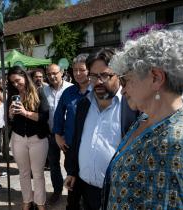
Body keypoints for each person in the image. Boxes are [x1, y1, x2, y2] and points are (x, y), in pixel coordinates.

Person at [103, 30, 183, 209]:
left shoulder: (176, 141)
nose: (122, 90)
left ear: (156, 78)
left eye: (124, 81)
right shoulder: (145, 118)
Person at [64, 49, 138, 210]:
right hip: (85, 190)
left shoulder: (133, 106)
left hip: (119, 192)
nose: (98, 82)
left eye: (104, 75)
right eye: (93, 76)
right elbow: (77, 141)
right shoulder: (83, 105)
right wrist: (72, 171)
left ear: (118, 74)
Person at [8, 66, 50, 210]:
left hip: (37, 138)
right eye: (12, 82)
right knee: (23, 173)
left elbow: (44, 117)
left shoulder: (39, 92)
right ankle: (27, 201)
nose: (15, 84)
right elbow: (10, 122)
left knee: (38, 174)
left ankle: (40, 203)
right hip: (18, 137)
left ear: (25, 77)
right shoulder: (13, 95)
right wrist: (10, 114)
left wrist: (25, 112)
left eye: (17, 80)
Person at [52, 54, 90, 209]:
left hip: (89, 147)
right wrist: (57, 135)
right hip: (71, 147)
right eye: (75, 70)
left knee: (88, 184)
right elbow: (58, 115)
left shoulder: (97, 92)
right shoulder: (68, 92)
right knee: (72, 182)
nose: (78, 73)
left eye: (82, 70)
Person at [43, 63, 73, 204]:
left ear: (62, 72)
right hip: (50, 134)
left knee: (70, 165)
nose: (52, 76)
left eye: (55, 73)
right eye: (49, 74)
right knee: (53, 164)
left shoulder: (71, 88)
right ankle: (57, 190)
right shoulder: (44, 90)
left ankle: (72, 193)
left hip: (68, 135)